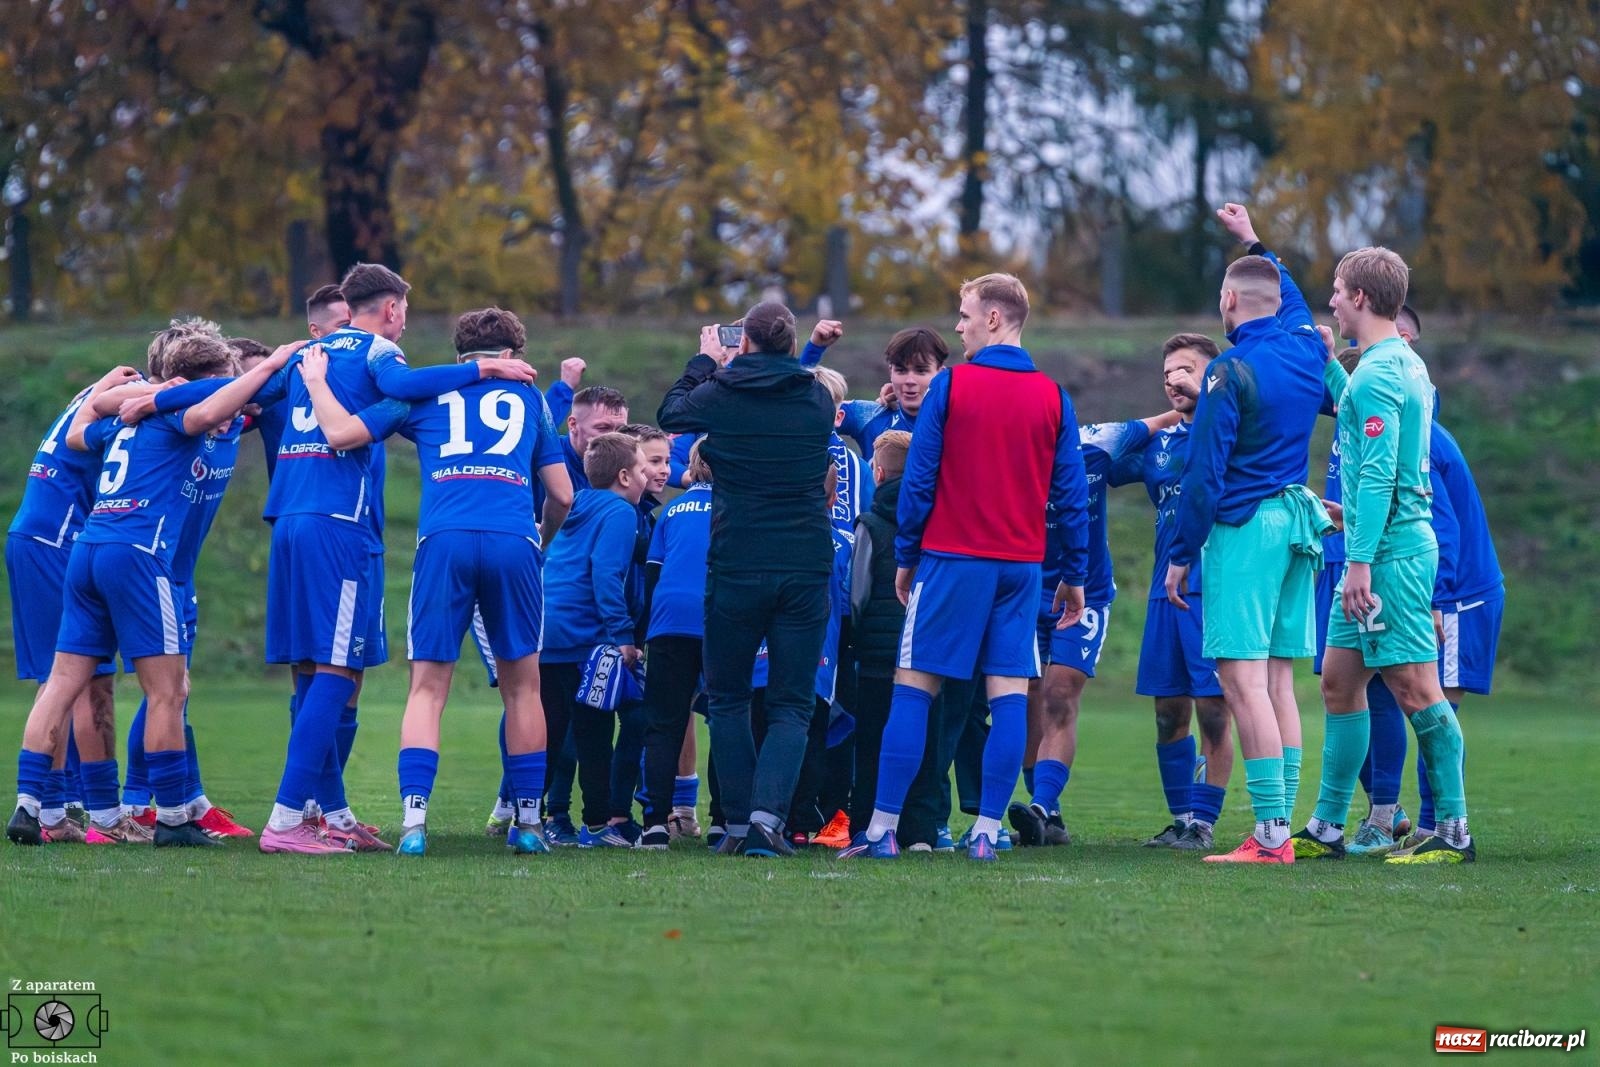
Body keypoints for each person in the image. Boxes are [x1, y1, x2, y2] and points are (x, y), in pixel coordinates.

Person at [295, 308, 573, 856]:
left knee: (427, 687)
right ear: (512, 353)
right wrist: (540, 535)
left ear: (460, 354)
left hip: (443, 541)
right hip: (514, 539)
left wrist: (316, 382)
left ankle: (414, 825)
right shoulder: (532, 399)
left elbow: (340, 434)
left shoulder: (426, 395)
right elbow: (564, 494)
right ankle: (530, 824)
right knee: (523, 688)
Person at [842, 272, 1091, 862]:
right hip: (1021, 569)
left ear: (995, 319)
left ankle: (881, 830)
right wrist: (1073, 574)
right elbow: (1071, 495)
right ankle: (985, 831)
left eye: (965, 314)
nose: (959, 325)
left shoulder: (951, 385)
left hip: (953, 560)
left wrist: (906, 557)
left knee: (914, 688)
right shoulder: (1054, 396)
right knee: (1007, 694)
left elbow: (919, 478)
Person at [8, 337, 292, 847]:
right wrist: (270, 363)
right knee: (169, 690)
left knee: (62, 683)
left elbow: (78, 433)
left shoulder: (127, 421)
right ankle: (175, 819)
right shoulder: (179, 419)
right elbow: (210, 408)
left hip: (89, 551)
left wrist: (120, 394)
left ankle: (33, 808)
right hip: (139, 556)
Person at [1294, 252, 1476, 865]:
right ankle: (1325, 828)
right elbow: (1373, 429)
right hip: (1386, 546)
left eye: (1339, 292)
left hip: (1390, 557)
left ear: (1363, 300)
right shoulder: (1400, 364)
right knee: (1340, 682)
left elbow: (1373, 481)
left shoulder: (1379, 373)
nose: (1333, 301)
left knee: (1417, 689)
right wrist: (1328, 367)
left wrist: (1360, 562)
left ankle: (1452, 830)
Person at [1165, 203, 1332, 865]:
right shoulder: (1302, 343)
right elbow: (1285, 290)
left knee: (1243, 684)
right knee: (1279, 681)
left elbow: (1204, 476)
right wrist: (1253, 239)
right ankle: (1280, 827)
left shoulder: (1227, 370)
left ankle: (1268, 836)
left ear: (1230, 299)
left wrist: (1180, 555)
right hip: (1298, 521)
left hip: (1246, 527)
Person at [658, 302, 837, 858]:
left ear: (747, 342)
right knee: (791, 702)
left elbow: (671, 414)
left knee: (729, 697)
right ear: (791, 343)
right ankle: (767, 821)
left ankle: (736, 823)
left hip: (736, 561)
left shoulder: (724, 393)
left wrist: (707, 361)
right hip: (805, 563)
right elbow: (796, 380)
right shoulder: (815, 399)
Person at [1011, 408, 1180, 848]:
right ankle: (1050, 818)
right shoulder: (1007, 454)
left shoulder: (1098, 443)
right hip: (1026, 591)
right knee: (1030, 697)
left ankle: (1043, 805)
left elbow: (1161, 421)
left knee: (1059, 694)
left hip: (1086, 593)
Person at [1130, 334, 1234, 851]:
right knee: (1168, 710)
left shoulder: (1228, 434)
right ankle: (1181, 819)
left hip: (1211, 589)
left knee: (1215, 708)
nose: (1174, 380)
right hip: (1161, 591)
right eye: (1168, 371)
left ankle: (1206, 823)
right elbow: (1097, 459)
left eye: (1187, 369)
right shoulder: (1159, 445)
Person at [539, 432, 650, 847]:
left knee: (548, 729)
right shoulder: (621, 512)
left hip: (548, 631)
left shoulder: (579, 502)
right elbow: (606, 573)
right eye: (642, 469)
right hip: (587, 637)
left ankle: (525, 814)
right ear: (624, 476)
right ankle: (599, 825)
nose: (647, 477)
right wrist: (622, 635)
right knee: (595, 730)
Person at [638, 441, 715, 849]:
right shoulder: (735, 508)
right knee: (727, 718)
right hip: (718, 622)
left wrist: (647, 632)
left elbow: (654, 574)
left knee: (663, 724)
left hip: (668, 624)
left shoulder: (669, 510)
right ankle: (726, 821)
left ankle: (654, 824)